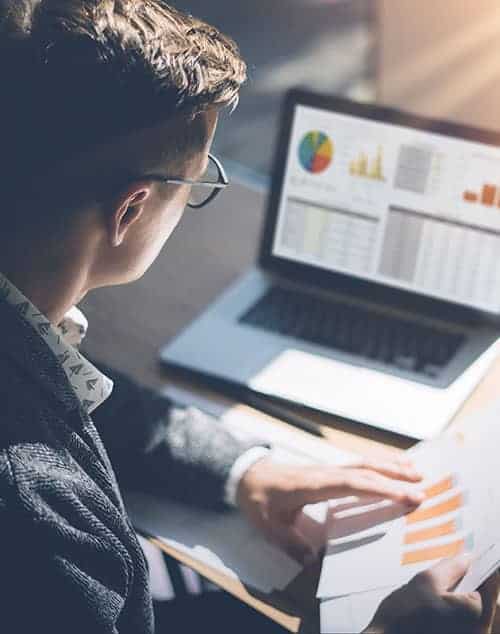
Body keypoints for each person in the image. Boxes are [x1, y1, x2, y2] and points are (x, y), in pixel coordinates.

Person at [0, 1, 497, 633]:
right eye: (196, 182)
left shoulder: (26, 335)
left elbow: (76, 392)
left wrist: (246, 471)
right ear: (130, 212)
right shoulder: (36, 517)